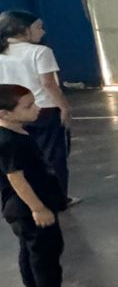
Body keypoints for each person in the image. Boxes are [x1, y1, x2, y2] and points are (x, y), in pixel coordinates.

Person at [0, 84, 93, 287]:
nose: (37, 108)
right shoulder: (9, 142)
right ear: (5, 114)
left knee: (29, 248)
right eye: (28, 106)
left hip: (23, 206)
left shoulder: (17, 132)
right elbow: (16, 179)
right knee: (46, 249)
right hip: (27, 205)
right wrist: (38, 208)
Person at [0, 11, 73, 204]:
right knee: (53, 156)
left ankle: (29, 198)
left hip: (11, 113)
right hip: (43, 109)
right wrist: (64, 107)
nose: (42, 31)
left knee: (22, 158)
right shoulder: (40, 52)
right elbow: (48, 84)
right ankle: (58, 197)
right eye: (38, 27)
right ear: (22, 29)